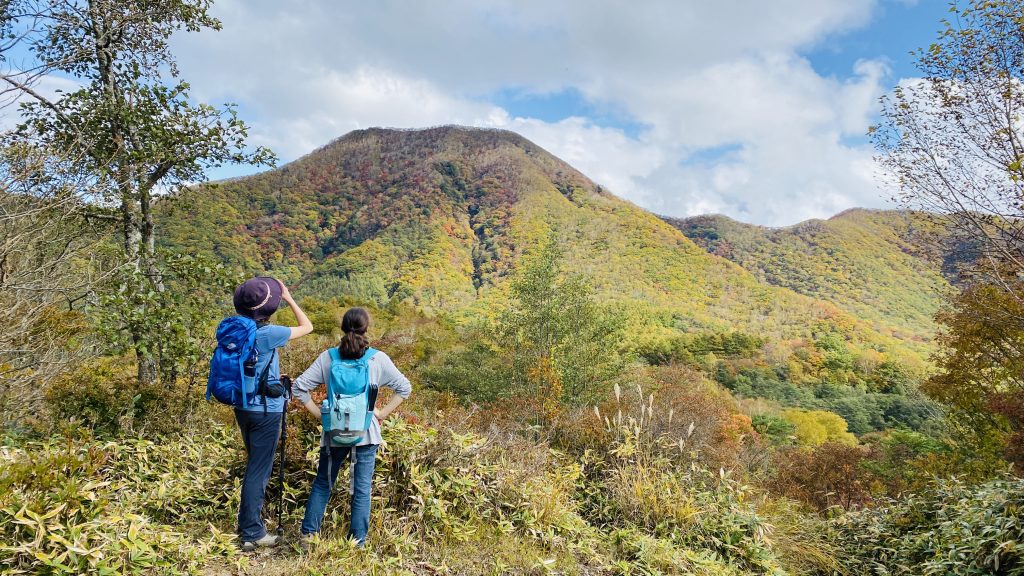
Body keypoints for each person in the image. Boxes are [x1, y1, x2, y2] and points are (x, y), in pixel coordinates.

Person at [291, 307, 412, 548]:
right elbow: (404, 388)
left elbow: (298, 388)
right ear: (366, 328)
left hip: (333, 433)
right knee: (361, 489)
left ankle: (308, 537)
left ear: (343, 327)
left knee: (324, 483)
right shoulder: (377, 358)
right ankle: (357, 542)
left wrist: (320, 416)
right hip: (366, 434)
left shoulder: (328, 357)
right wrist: (381, 414)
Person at [231, 277, 313, 551]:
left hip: (242, 405)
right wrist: (289, 298)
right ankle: (251, 532)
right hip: (265, 411)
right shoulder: (268, 334)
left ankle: (251, 523)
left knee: (255, 465)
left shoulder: (236, 330)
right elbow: (307, 326)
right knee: (258, 469)